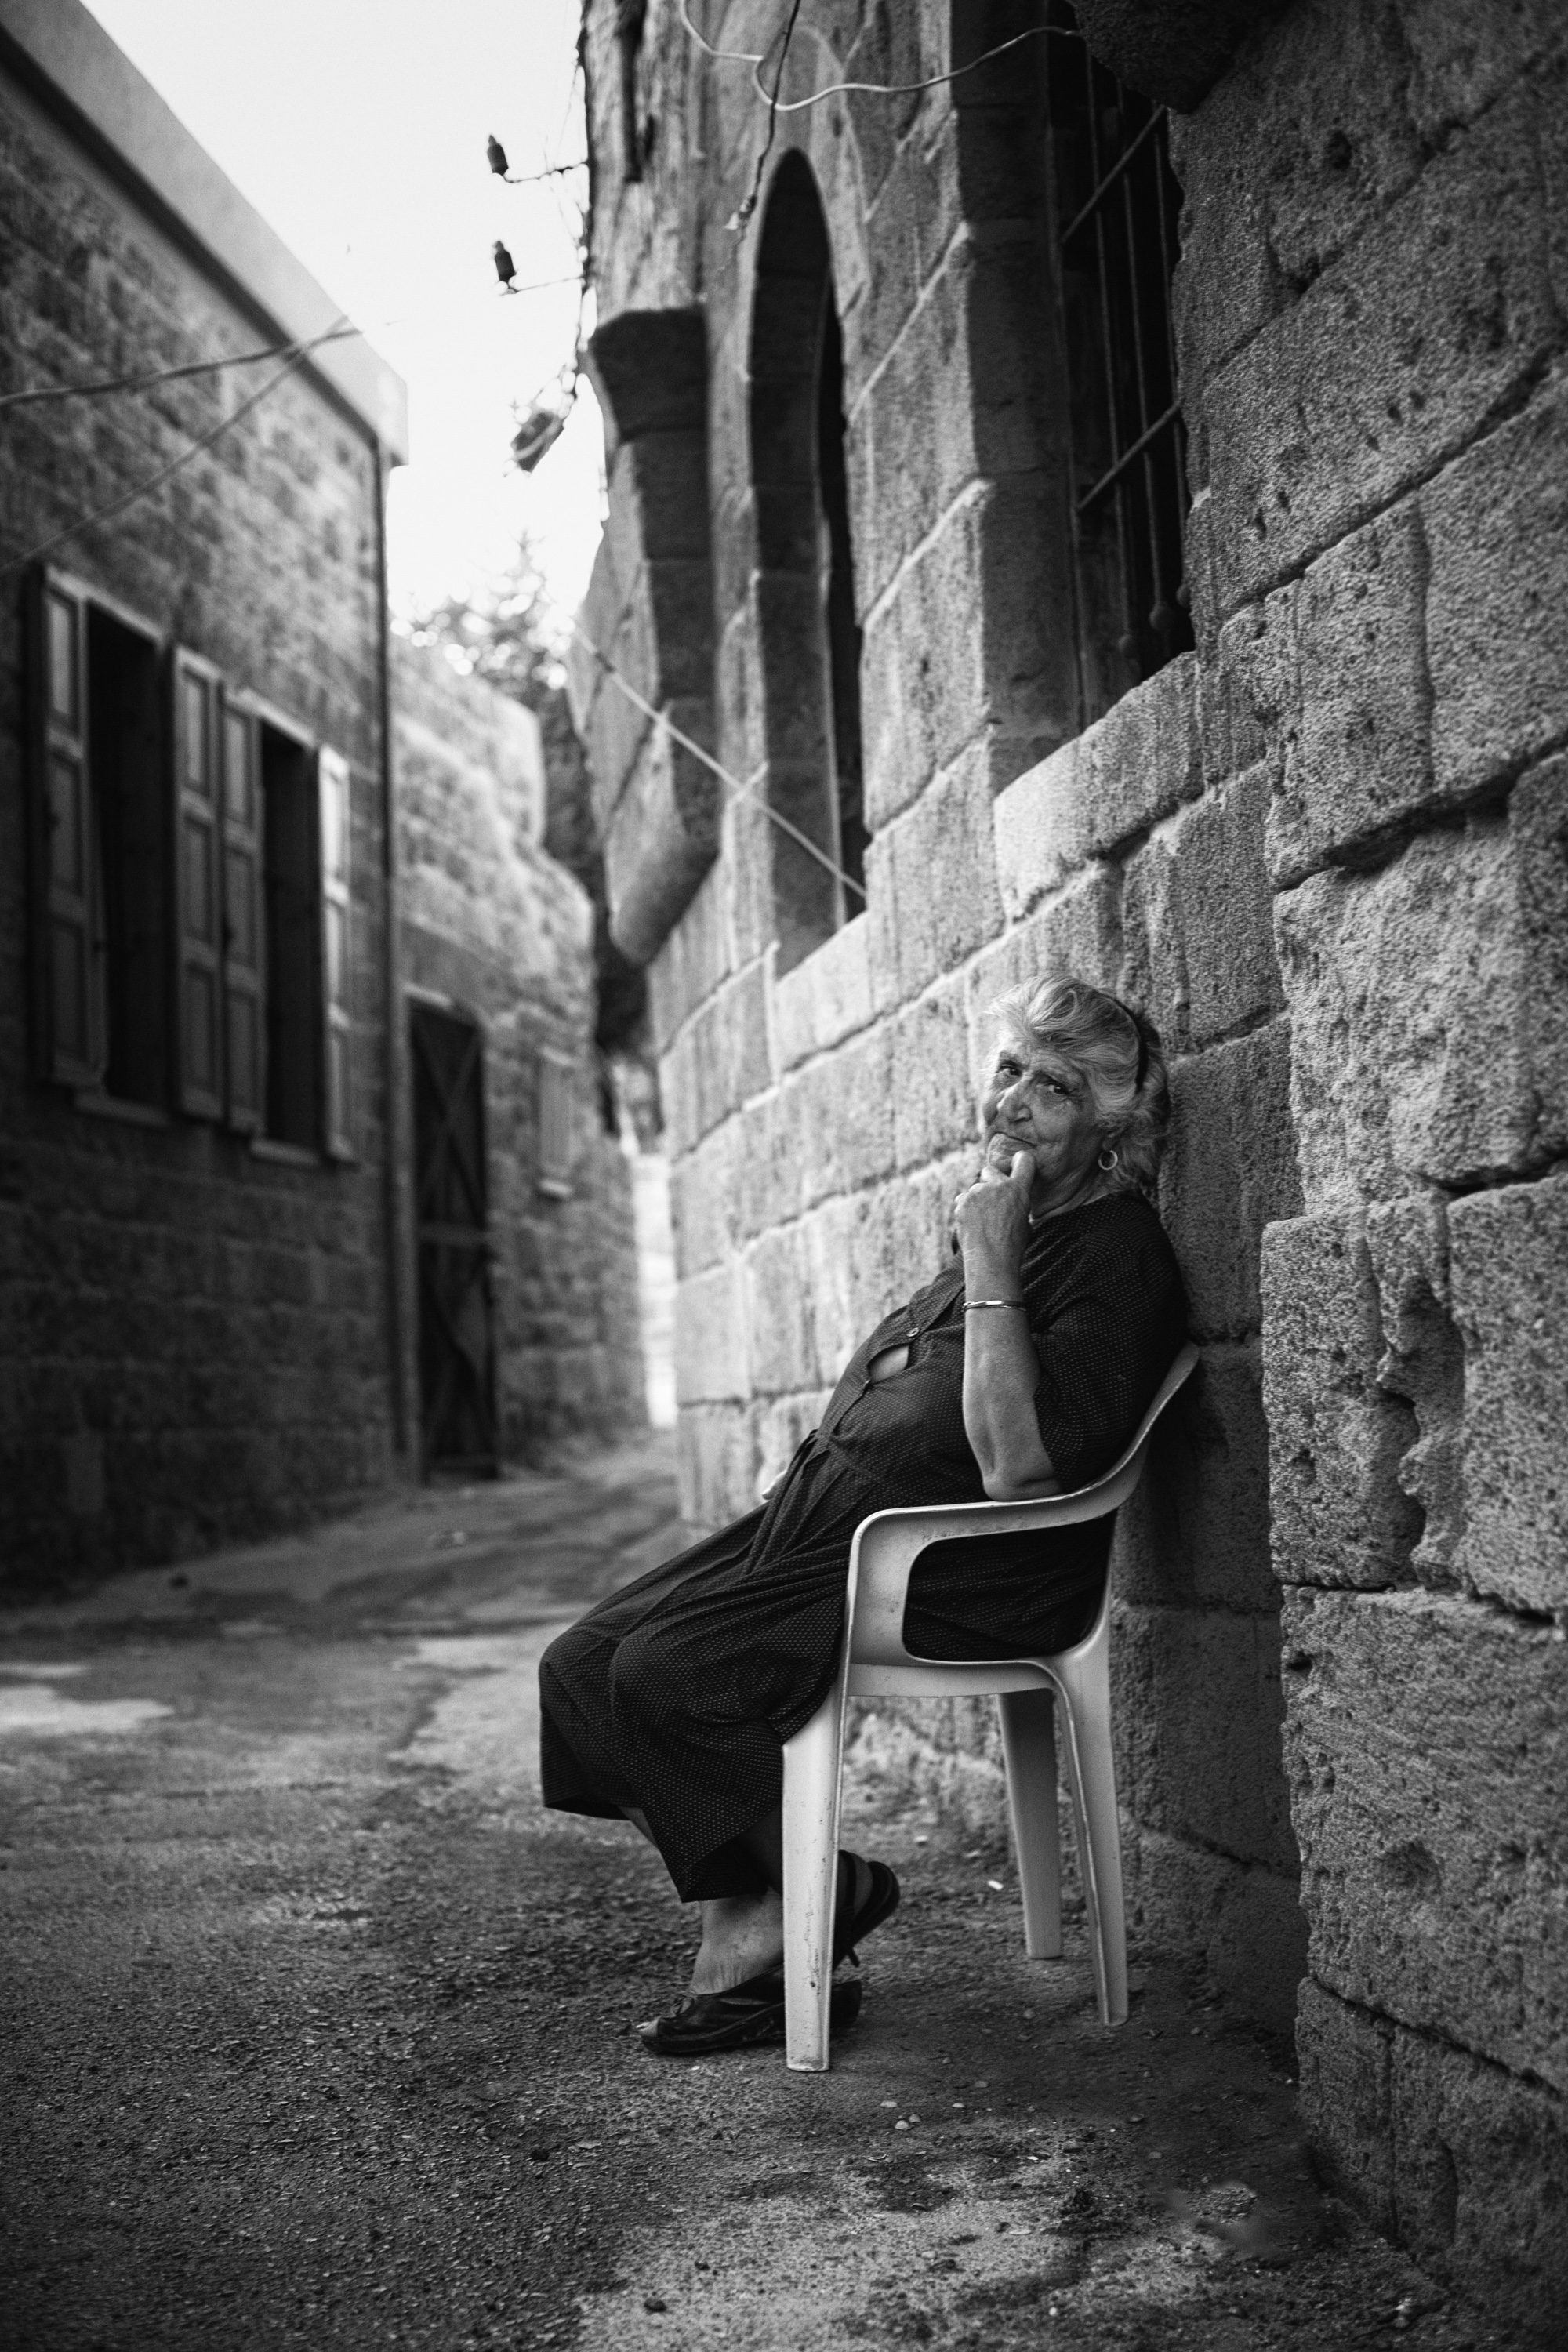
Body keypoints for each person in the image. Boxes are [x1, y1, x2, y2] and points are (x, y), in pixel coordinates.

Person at [539, 977, 1188, 2053]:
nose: (1013, 1102)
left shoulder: (1114, 1255)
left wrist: (989, 1263)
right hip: (820, 1536)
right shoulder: (1016, 1217)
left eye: (1057, 1089)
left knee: (662, 1674)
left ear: (1111, 1129)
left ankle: (771, 1932)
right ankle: (799, 1898)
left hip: (955, 1575)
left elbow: (1019, 1469)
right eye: (1010, 1068)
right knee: (579, 1670)